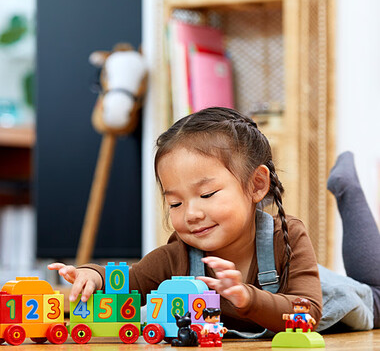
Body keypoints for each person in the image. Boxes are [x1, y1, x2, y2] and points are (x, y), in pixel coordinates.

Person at [49, 107, 380, 335]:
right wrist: (92, 275)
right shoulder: (176, 257)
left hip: (324, 296)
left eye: (207, 194)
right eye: (175, 202)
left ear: (257, 185)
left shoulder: (286, 236)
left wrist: (248, 298)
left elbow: (307, 312)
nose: (191, 213)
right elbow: (128, 281)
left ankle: (347, 191)